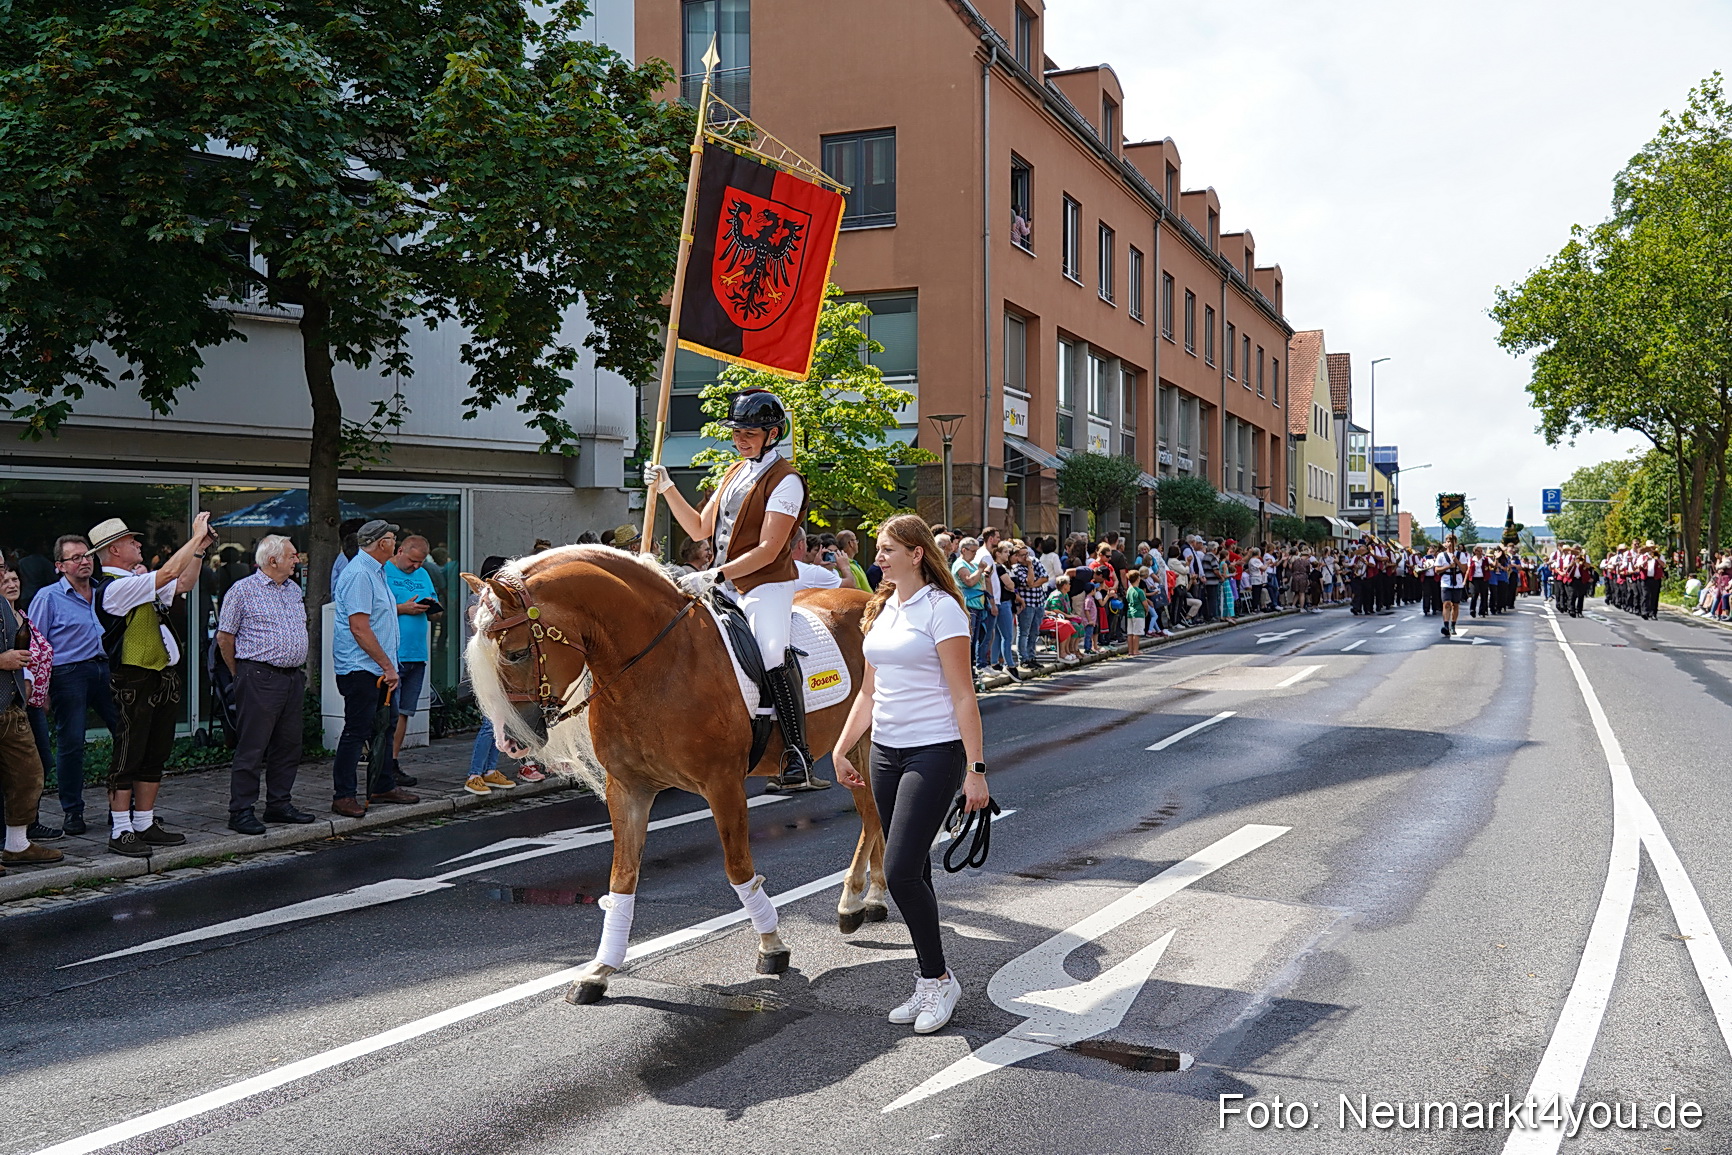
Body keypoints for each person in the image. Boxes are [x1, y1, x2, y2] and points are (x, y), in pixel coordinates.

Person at [829, 515, 988, 1035]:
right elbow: (869, 694)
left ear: (916, 553)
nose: (878, 557)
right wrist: (841, 746)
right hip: (886, 752)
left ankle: (938, 980)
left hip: (934, 752)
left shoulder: (942, 611)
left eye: (887, 549)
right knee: (913, 870)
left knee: (897, 872)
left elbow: (965, 695)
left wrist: (977, 771)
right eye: (877, 548)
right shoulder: (881, 609)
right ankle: (930, 979)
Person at [643, 388, 827, 792]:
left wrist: (715, 575)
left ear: (773, 433)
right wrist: (667, 488)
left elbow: (769, 549)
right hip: (723, 582)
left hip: (765, 585)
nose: (740, 439)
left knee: (772, 650)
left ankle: (797, 754)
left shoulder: (787, 481)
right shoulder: (733, 472)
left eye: (750, 432)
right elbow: (698, 529)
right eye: (737, 431)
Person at [89, 514, 212, 856]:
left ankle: (143, 822)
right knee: (129, 753)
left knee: (155, 751)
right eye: (132, 541)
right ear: (114, 549)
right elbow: (171, 573)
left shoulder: (136, 580)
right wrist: (195, 536)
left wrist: (199, 551)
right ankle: (121, 828)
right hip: (134, 678)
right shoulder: (114, 587)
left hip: (160, 676)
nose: (139, 544)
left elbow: (183, 583)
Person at [215, 534, 314, 834]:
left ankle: (278, 804)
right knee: (253, 746)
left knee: (288, 744)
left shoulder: (293, 590)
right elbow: (224, 637)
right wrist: (240, 673)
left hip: (291, 677)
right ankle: (241, 810)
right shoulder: (242, 591)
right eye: (293, 555)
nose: (297, 559)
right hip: (259, 675)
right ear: (273, 560)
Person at [26, 534, 122, 836]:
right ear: (60, 565)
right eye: (76, 557)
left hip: (105, 669)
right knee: (72, 743)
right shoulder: (48, 597)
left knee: (125, 732)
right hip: (68, 674)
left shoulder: (104, 591)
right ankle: (72, 811)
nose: (84, 561)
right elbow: (36, 644)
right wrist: (40, 690)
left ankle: (119, 805)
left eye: (88, 556)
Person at [331, 520, 419, 817]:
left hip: (379, 667)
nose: (396, 544)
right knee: (357, 731)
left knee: (386, 724)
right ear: (382, 543)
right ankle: (343, 795)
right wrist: (386, 665)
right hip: (362, 668)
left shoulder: (375, 571)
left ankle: (382, 784)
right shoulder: (359, 574)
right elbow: (359, 627)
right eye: (393, 539)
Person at [0, 557, 64, 871]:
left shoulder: (10, 610)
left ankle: (17, 844)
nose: (4, 575)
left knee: (29, 775)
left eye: (3, 566)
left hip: (14, 705)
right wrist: (3, 660)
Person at [384, 534, 440, 789]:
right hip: (391, 654)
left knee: (404, 711)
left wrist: (432, 609)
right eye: (413, 560)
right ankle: (381, 763)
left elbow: (436, 614)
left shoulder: (423, 575)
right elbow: (371, 610)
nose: (416, 566)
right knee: (387, 711)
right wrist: (401, 609)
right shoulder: (383, 570)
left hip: (417, 653)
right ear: (400, 550)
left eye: (420, 562)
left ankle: (393, 762)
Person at [1436, 535, 1468, 637]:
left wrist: (1457, 561)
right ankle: (1446, 625)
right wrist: (1449, 566)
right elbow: (1437, 570)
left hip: (1457, 582)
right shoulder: (1441, 555)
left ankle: (1453, 625)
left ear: (1455, 543)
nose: (1449, 543)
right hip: (1446, 581)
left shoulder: (1461, 555)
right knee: (1446, 603)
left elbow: (1464, 569)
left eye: (1451, 541)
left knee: (1455, 604)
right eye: (1447, 541)